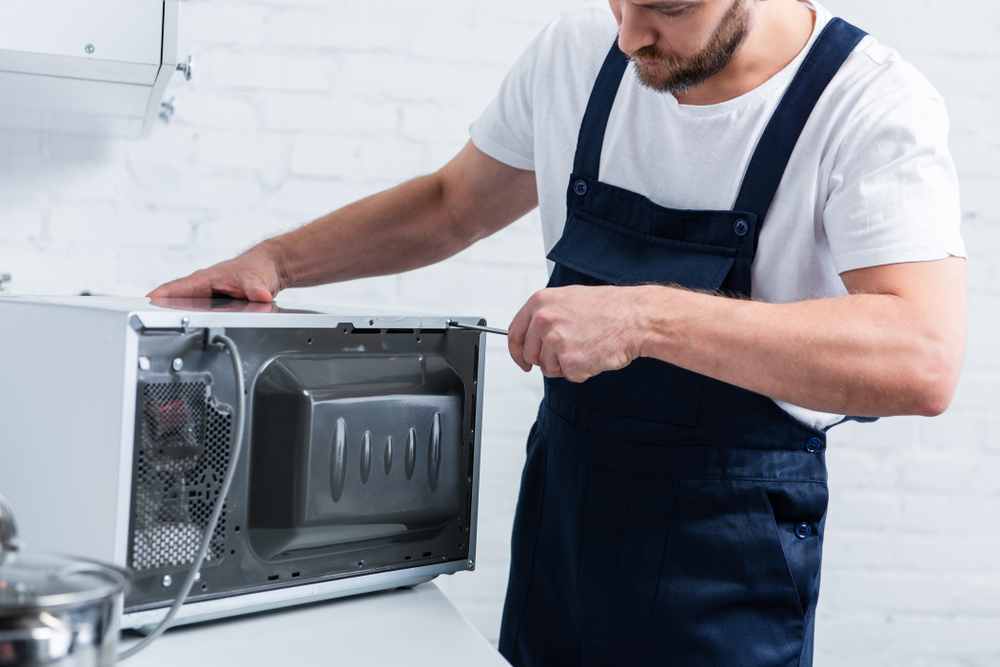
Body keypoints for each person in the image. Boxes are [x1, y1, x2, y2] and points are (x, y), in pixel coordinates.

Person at [150, 0, 967, 664]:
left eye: (665, 10)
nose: (627, 35)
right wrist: (275, 261)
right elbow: (452, 203)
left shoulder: (869, 106)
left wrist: (649, 317)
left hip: (729, 545)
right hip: (564, 520)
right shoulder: (580, 51)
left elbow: (922, 357)